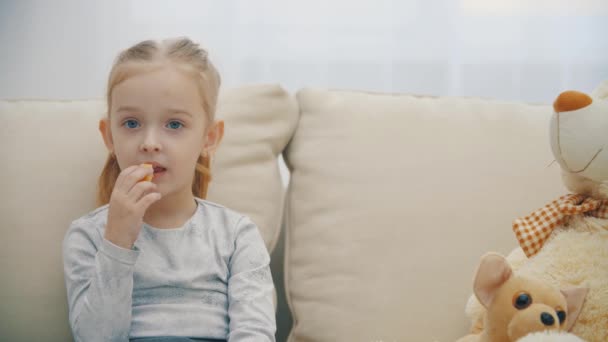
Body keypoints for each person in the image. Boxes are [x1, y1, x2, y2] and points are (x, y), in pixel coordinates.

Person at [62, 37, 276, 342]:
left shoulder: (236, 236)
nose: (150, 142)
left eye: (174, 125)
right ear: (109, 136)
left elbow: (255, 333)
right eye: (132, 123)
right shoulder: (89, 236)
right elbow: (95, 338)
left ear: (209, 138)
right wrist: (117, 243)